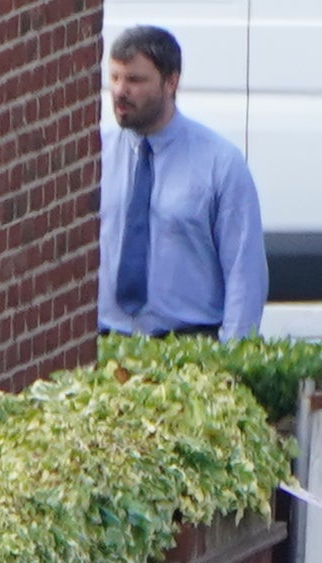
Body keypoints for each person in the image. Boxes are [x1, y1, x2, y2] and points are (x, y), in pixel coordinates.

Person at [96, 26, 266, 343]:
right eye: (115, 77)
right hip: (109, 343)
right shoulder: (96, 156)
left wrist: (233, 361)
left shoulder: (219, 163)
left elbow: (245, 273)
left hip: (188, 344)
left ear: (171, 82)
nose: (119, 91)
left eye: (135, 80)